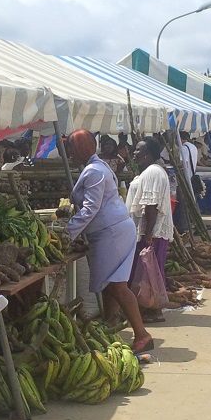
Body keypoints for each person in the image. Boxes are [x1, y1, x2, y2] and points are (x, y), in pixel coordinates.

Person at [66, 129, 153, 354]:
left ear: (80, 149)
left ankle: (142, 335)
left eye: (71, 149)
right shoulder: (97, 167)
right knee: (110, 283)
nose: (70, 154)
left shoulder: (94, 171)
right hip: (110, 230)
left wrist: (68, 232)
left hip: (111, 232)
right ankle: (109, 326)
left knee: (117, 285)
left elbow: (90, 208)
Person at [126, 137, 174, 324]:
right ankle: (146, 308)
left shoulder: (153, 172)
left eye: (138, 150)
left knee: (148, 272)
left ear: (148, 154)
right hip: (149, 232)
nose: (134, 153)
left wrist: (148, 234)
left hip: (152, 233)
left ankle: (153, 310)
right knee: (147, 271)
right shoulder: (150, 171)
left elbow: (151, 206)